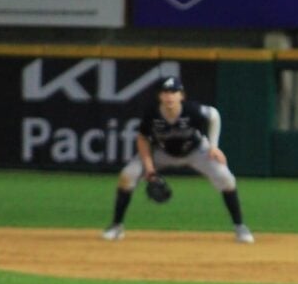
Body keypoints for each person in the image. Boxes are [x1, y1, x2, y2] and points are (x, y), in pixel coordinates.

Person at [101, 75, 255, 244]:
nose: (169, 96)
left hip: (196, 151)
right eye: (165, 92)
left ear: (181, 95)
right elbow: (143, 138)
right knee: (127, 175)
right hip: (161, 152)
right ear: (160, 96)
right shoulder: (152, 113)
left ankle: (240, 227)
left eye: (174, 92)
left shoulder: (192, 110)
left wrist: (213, 146)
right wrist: (150, 169)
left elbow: (214, 115)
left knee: (226, 179)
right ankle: (116, 226)